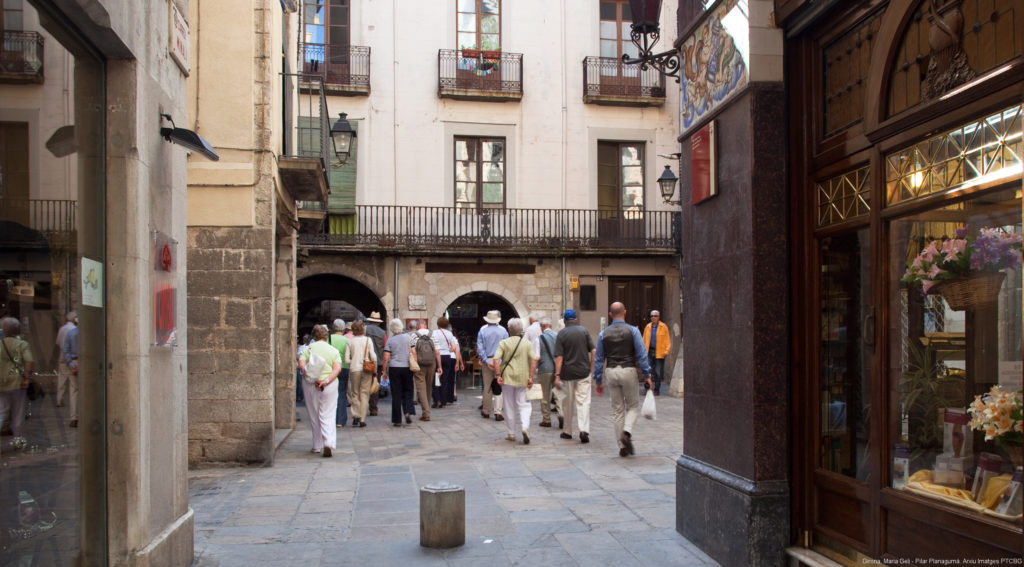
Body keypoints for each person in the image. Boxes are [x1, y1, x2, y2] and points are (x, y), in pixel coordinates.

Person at [593, 302, 653, 457]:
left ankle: (621, 446)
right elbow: (641, 354)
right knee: (632, 406)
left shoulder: (603, 334)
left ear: (610, 315)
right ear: (624, 312)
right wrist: (647, 375)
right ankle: (626, 432)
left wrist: (598, 380)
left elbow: (599, 359)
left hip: (611, 370)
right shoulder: (633, 331)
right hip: (628, 369)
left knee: (617, 410)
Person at [298, 324, 343, 457]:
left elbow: (301, 364)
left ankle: (316, 445)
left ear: (314, 336)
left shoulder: (308, 348)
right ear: (326, 336)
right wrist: (325, 380)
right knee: (328, 413)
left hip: (310, 384)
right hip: (329, 384)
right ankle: (328, 442)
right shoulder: (333, 350)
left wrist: (311, 376)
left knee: (314, 414)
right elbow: (337, 368)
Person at [491, 318, 537, 444]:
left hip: (508, 377)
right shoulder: (527, 343)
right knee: (524, 404)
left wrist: (498, 374)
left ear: (509, 330)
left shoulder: (504, 343)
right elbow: (534, 359)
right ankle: (525, 426)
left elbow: (496, 360)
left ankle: (511, 433)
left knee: (509, 405)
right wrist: (531, 377)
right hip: (523, 377)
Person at [554, 309, 595, 443]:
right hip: (583, 372)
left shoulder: (561, 334)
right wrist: (591, 367)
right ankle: (584, 430)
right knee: (583, 402)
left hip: (567, 374)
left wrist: (557, 375)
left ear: (565, 320)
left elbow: (559, 357)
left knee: (567, 403)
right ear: (575, 318)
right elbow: (593, 350)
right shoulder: (584, 331)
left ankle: (567, 431)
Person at [0, 317, 35, 451]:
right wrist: (27, 377)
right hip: (17, 382)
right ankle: (18, 440)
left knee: (2, 411)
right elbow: (29, 361)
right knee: (18, 413)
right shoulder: (22, 344)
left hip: (1, 382)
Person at [382, 318, 415, 427]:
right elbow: (414, 353)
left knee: (396, 393)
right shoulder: (408, 338)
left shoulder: (390, 340)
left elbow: (386, 357)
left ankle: (397, 419)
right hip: (407, 367)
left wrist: (384, 370)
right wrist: (415, 365)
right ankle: (407, 412)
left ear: (392, 329)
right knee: (408, 390)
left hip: (394, 368)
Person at [477, 310, 508, 421]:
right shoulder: (503, 330)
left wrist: (486, 361)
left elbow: (480, 348)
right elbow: (506, 347)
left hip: (488, 360)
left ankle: (486, 410)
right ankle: (498, 412)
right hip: (500, 360)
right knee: (499, 385)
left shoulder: (482, 331)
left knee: (487, 386)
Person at [343, 320, 376, 427]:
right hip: (366, 369)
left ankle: (355, 416)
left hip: (354, 369)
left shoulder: (350, 342)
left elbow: (346, 359)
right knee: (364, 394)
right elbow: (373, 356)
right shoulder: (368, 340)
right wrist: (374, 367)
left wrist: (354, 361)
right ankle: (362, 418)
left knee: (355, 393)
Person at [532, 317, 558, 428]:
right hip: (557, 370)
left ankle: (546, 420)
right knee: (558, 394)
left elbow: (536, 357)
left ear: (542, 328)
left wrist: (532, 373)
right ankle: (561, 414)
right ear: (551, 326)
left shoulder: (539, 339)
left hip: (544, 370)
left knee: (544, 396)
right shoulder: (558, 336)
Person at [431, 317, 463, 408]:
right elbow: (453, 347)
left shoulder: (434, 333)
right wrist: (448, 349)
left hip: (438, 357)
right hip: (447, 357)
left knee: (436, 379)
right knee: (445, 380)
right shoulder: (449, 334)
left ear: (438, 324)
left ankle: (437, 400)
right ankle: (444, 401)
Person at [412, 326, 440, 421]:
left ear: (418, 326)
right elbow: (437, 352)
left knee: (421, 387)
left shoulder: (414, 335)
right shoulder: (433, 335)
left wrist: (413, 364)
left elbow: (413, 352)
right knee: (429, 387)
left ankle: (426, 412)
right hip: (431, 363)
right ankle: (426, 410)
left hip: (419, 363)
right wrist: (439, 366)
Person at [642, 310, 671, 395]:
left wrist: (666, 351)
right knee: (647, 371)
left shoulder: (663, 326)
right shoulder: (647, 327)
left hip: (660, 352)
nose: (653, 317)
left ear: (658, 317)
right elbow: (644, 340)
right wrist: (642, 352)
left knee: (658, 372)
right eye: (651, 316)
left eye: (655, 316)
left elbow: (667, 340)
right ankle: (647, 389)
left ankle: (656, 390)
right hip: (649, 352)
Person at [363, 312, 387, 414]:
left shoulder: (365, 330)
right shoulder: (383, 333)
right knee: (375, 384)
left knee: (364, 384)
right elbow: (385, 347)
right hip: (379, 362)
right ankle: (373, 407)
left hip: (366, 361)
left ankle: (363, 406)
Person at [330, 319, 350, 428]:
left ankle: (331, 418)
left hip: (332, 368)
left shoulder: (329, 339)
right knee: (342, 394)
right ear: (343, 329)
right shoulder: (346, 340)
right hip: (344, 368)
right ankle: (340, 420)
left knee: (331, 394)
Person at [55, 311, 77, 410]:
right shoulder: (74, 329)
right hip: (72, 356)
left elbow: (58, 342)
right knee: (73, 383)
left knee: (62, 378)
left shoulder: (62, 328)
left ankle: (59, 399)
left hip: (62, 354)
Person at [62, 322, 80, 427]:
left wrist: (71, 363)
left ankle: (74, 417)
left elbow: (65, 350)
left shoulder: (71, 333)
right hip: (85, 362)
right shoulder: (89, 333)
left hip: (74, 361)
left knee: (74, 390)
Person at [296, 334, 311, 404]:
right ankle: (302, 397)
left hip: (309, 368)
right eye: (305, 339)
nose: (306, 340)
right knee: (302, 384)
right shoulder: (302, 347)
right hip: (304, 368)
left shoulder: (311, 347)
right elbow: (298, 356)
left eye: (307, 339)